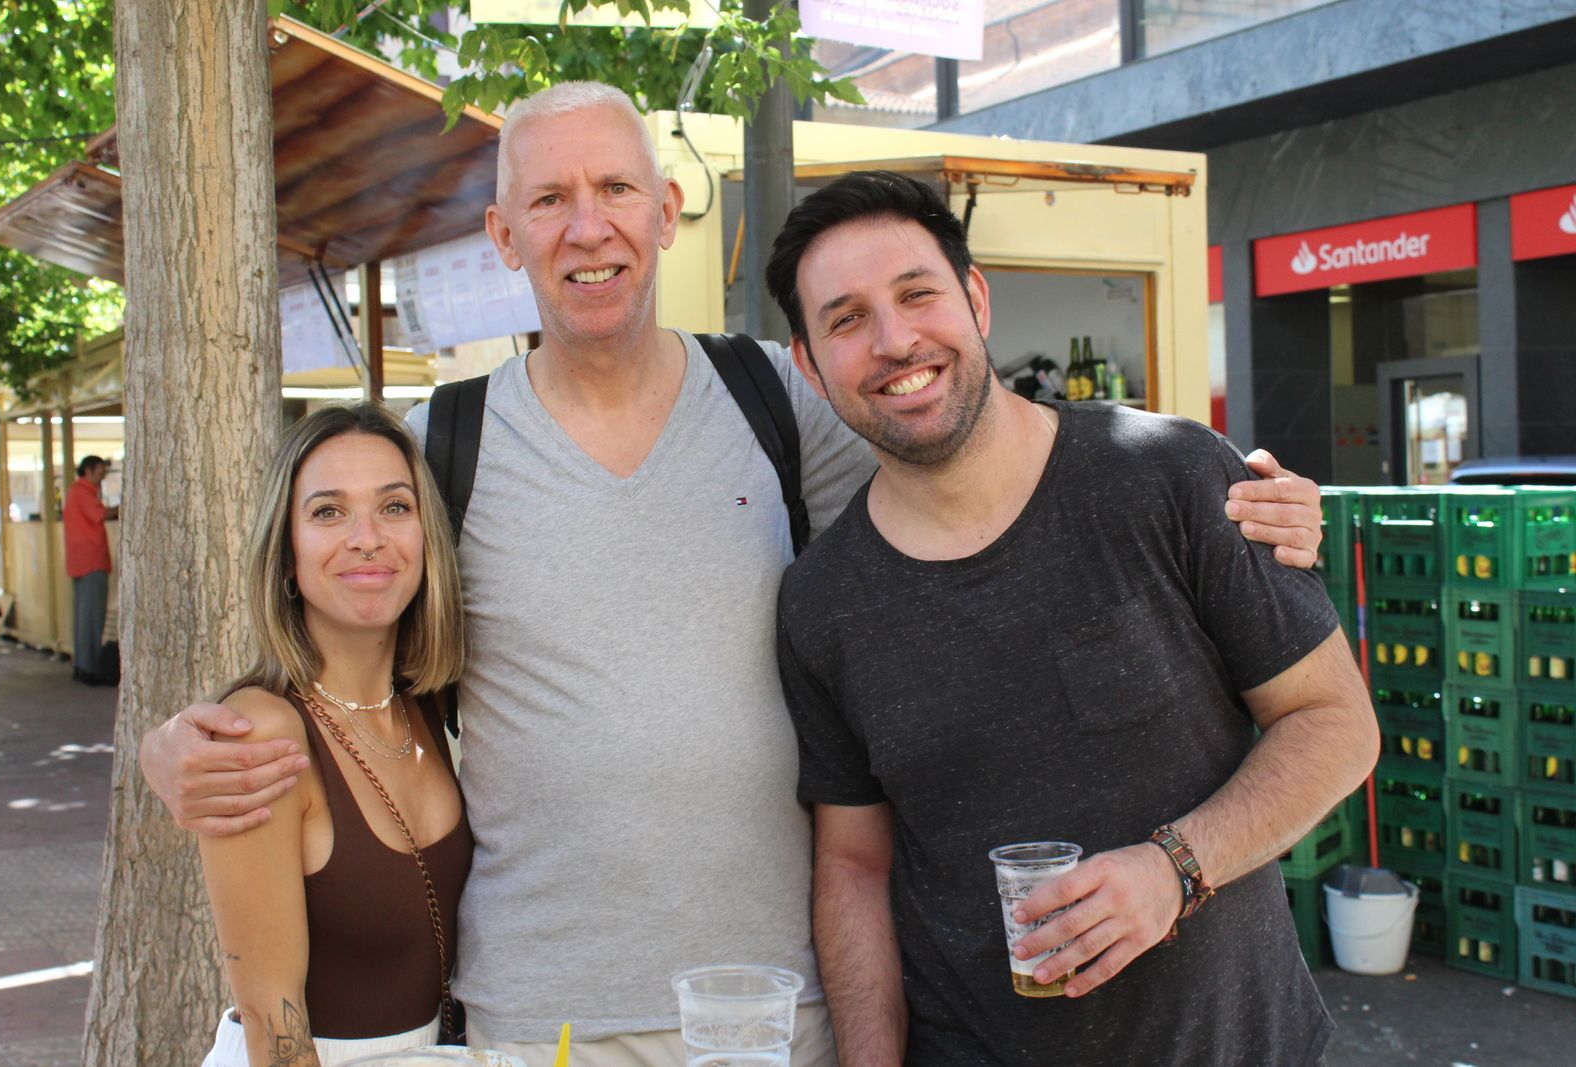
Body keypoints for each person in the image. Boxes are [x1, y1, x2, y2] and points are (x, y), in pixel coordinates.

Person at [141, 83, 1326, 1066]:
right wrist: (182, 742)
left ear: (663, 211)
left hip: (781, 1007)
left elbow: (966, 444)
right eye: (547, 199)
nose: (586, 224)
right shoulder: (440, 443)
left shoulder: (785, 395)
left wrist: (1249, 498)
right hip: (545, 1013)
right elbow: (340, 620)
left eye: (613, 189)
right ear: (504, 237)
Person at [765, 171, 1379, 1066]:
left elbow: (1336, 723)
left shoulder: (1167, 475)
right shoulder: (822, 602)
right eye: (847, 318)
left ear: (975, 299)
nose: (896, 341)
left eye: (917, 293)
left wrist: (1176, 868)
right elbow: (855, 864)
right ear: (809, 366)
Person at [196, 403, 470, 1067]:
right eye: (328, 511)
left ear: (427, 537)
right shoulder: (261, 732)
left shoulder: (430, 704)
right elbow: (271, 1020)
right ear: (287, 556)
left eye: (394, 507)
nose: (367, 537)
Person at [63, 454, 119, 685]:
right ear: (88, 470)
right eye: (99, 471)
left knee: (83, 617)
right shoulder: (83, 491)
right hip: (91, 560)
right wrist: (121, 508)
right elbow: (100, 514)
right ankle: (90, 668)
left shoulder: (76, 491)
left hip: (80, 561)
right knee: (92, 618)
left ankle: (81, 665)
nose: (103, 475)